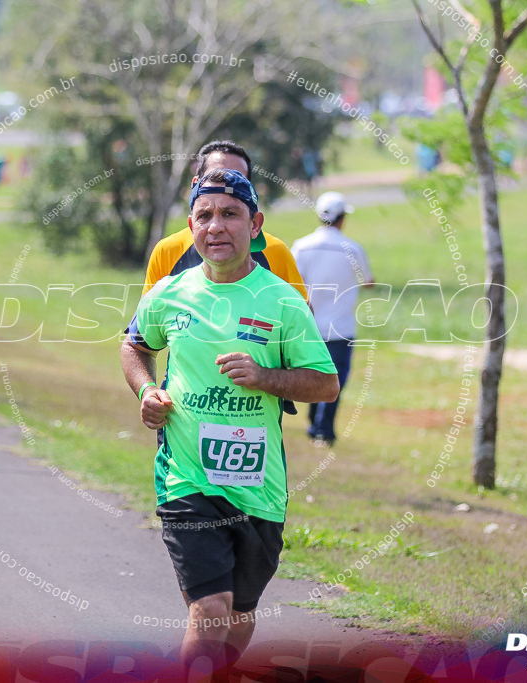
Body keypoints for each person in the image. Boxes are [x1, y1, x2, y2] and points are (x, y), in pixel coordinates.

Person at [121, 169, 338, 673]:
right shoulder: (168, 295)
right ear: (191, 227)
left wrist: (264, 376)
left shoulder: (282, 301)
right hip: (186, 477)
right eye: (205, 216)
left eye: (230, 215)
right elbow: (134, 345)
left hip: (257, 485)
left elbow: (325, 385)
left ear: (255, 223)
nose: (216, 227)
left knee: (239, 618)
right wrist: (147, 389)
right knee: (211, 609)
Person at [143, 140, 307, 302]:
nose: (226, 186)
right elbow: (146, 321)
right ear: (196, 184)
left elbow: (300, 317)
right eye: (216, 177)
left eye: (238, 180)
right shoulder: (168, 251)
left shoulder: (275, 252)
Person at [291, 191, 374, 446]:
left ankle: (315, 421)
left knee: (313, 373)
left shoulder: (301, 246)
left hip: (309, 326)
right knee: (335, 379)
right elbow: (367, 282)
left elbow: (292, 283)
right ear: (341, 218)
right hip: (341, 327)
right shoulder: (352, 249)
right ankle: (323, 430)